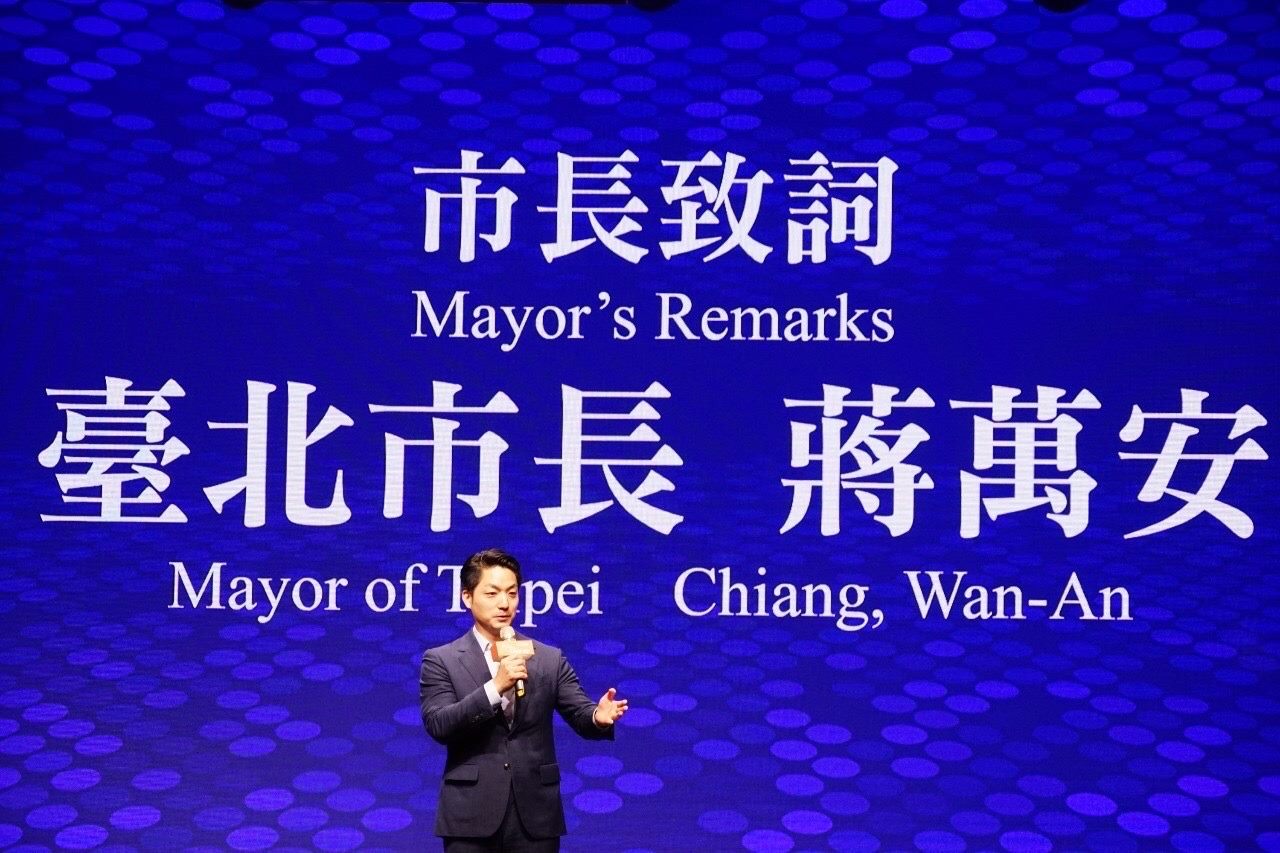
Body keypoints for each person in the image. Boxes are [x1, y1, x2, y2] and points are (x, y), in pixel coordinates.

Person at [419, 548, 627, 851]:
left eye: (512, 593)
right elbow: (439, 724)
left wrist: (598, 717)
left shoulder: (548, 658)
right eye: (492, 593)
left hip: (536, 816)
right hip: (470, 816)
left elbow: (580, 713)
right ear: (467, 596)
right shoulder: (442, 660)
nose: (505, 603)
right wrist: (495, 687)